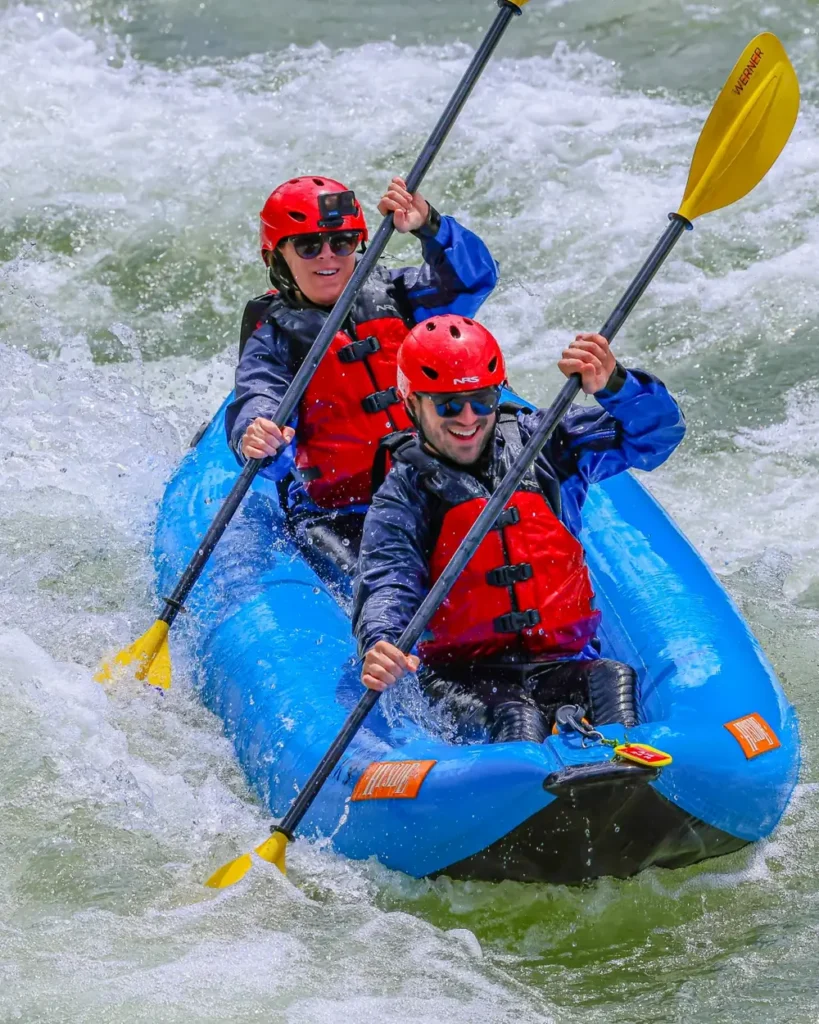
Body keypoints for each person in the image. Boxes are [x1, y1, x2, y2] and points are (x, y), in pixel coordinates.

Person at [351, 314, 686, 742]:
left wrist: (616, 385)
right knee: (516, 719)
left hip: (561, 662)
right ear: (412, 403)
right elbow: (387, 580)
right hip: (462, 678)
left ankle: (627, 777)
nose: (468, 418)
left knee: (612, 680)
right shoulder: (404, 493)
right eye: (448, 404)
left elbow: (658, 435)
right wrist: (381, 639)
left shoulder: (546, 446)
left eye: (483, 399)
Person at [225, 175, 498, 582]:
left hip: (430, 483)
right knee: (380, 584)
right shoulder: (274, 339)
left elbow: (475, 279)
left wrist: (429, 225)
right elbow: (259, 396)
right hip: (342, 513)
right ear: (277, 256)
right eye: (308, 245)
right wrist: (258, 435)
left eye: (342, 242)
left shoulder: (400, 294)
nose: (327, 256)